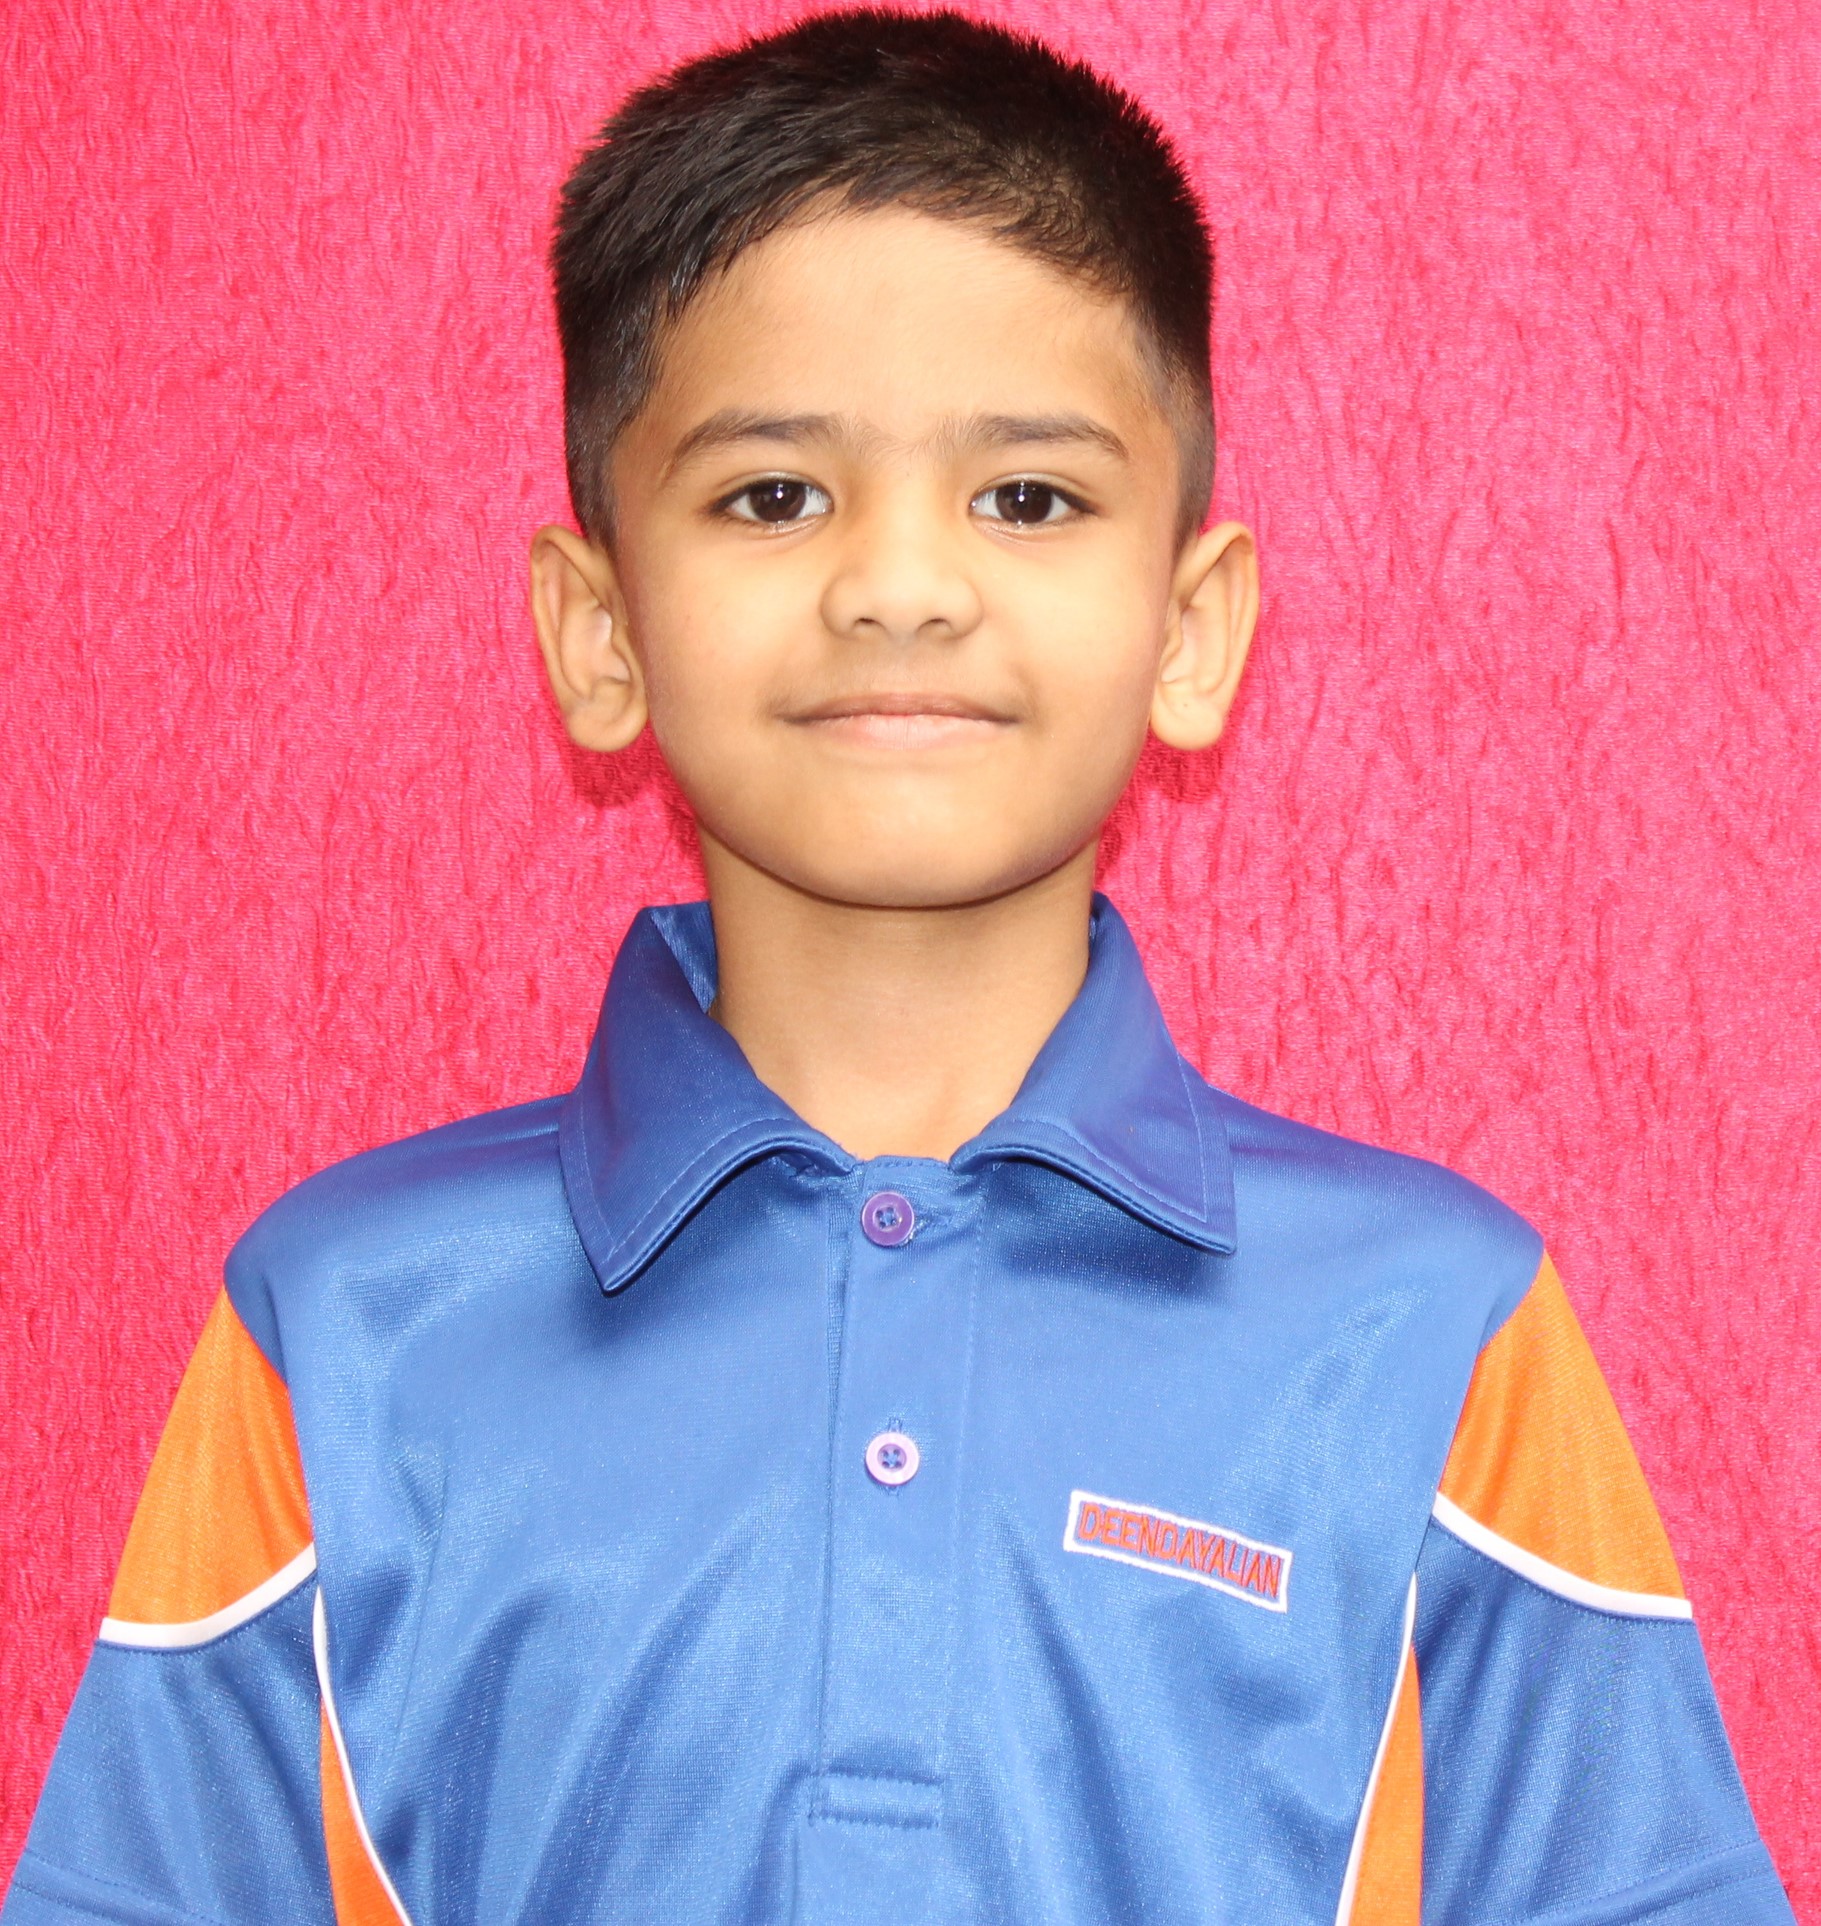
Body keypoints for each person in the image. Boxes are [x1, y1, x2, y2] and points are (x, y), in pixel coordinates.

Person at [3, 11, 1791, 1924]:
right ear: (598, 631)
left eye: (1027, 496)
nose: (901, 586)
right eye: (773, 494)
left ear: (1192, 629)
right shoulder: (343, 1322)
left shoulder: (1435, 1328)